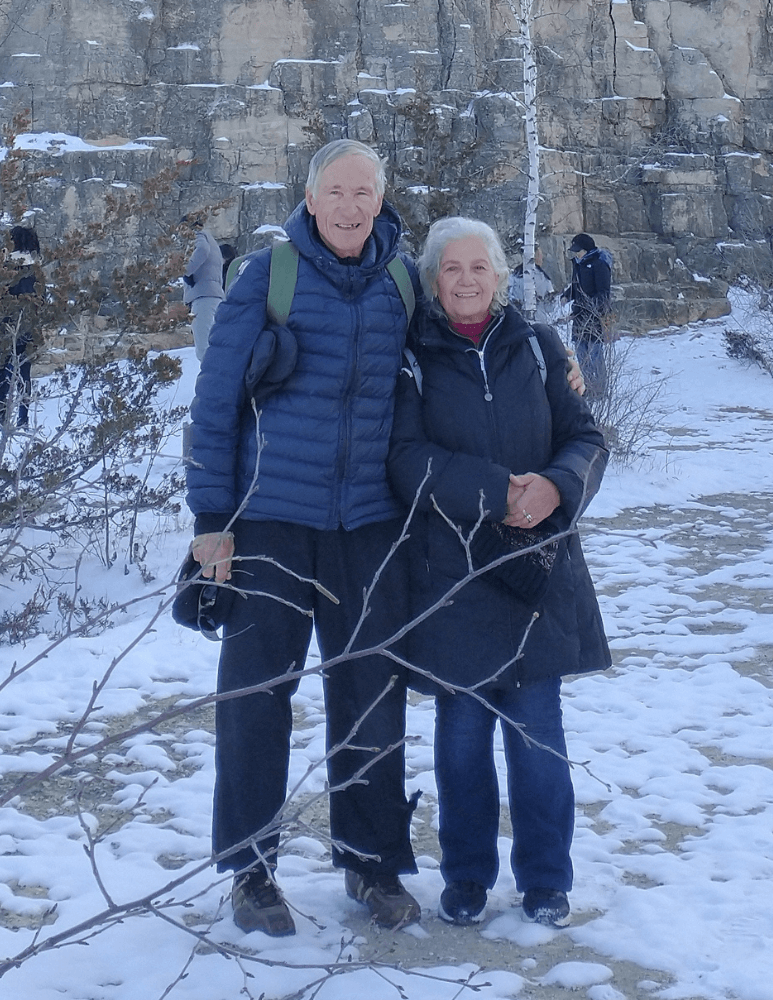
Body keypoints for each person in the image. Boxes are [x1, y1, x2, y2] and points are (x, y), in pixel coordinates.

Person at [186, 139, 421, 937]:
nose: (351, 206)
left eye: (365, 192)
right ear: (310, 199)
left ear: (381, 201)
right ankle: (251, 873)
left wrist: (555, 362)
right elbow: (214, 403)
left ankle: (370, 861)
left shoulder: (402, 282)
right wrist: (211, 523)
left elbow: (467, 342)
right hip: (270, 524)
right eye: (336, 191)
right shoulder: (268, 277)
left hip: (367, 528)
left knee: (370, 695)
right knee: (257, 700)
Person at [388, 217, 610, 929]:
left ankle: (546, 878)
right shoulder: (413, 356)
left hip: (535, 569)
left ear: (500, 275)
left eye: (478, 267)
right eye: (450, 269)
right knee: (460, 740)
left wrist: (555, 486)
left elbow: (584, 438)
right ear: (432, 280)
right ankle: (466, 877)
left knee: (538, 734)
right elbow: (405, 458)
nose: (465, 280)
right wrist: (494, 490)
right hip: (452, 577)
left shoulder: (540, 346)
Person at [561, 233, 613, 399]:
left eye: (579, 250)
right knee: (581, 354)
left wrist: (589, 309)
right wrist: (567, 295)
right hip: (579, 317)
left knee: (595, 355)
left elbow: (604, 294)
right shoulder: (578, 265)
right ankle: (587, 387)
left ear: (587, 250)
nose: (576, 254)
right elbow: (576, 286)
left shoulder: (599, 265)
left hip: (594, 317)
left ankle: (599, 390)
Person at [0, 226, 41, 428]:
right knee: (23, 374)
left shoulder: (11, 267)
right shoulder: (35, 267)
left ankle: (1, 416)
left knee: (5, 373)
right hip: (28, 327)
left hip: (8, 327)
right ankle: (23, 419)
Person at [181, 216, 224, 362]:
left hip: (203, 297)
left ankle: (212, 382)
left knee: (204, 349)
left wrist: (186, 269)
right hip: (215, 296)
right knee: (218, 345)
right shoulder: (211, 240)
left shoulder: (198, 236)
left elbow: (202, 250)